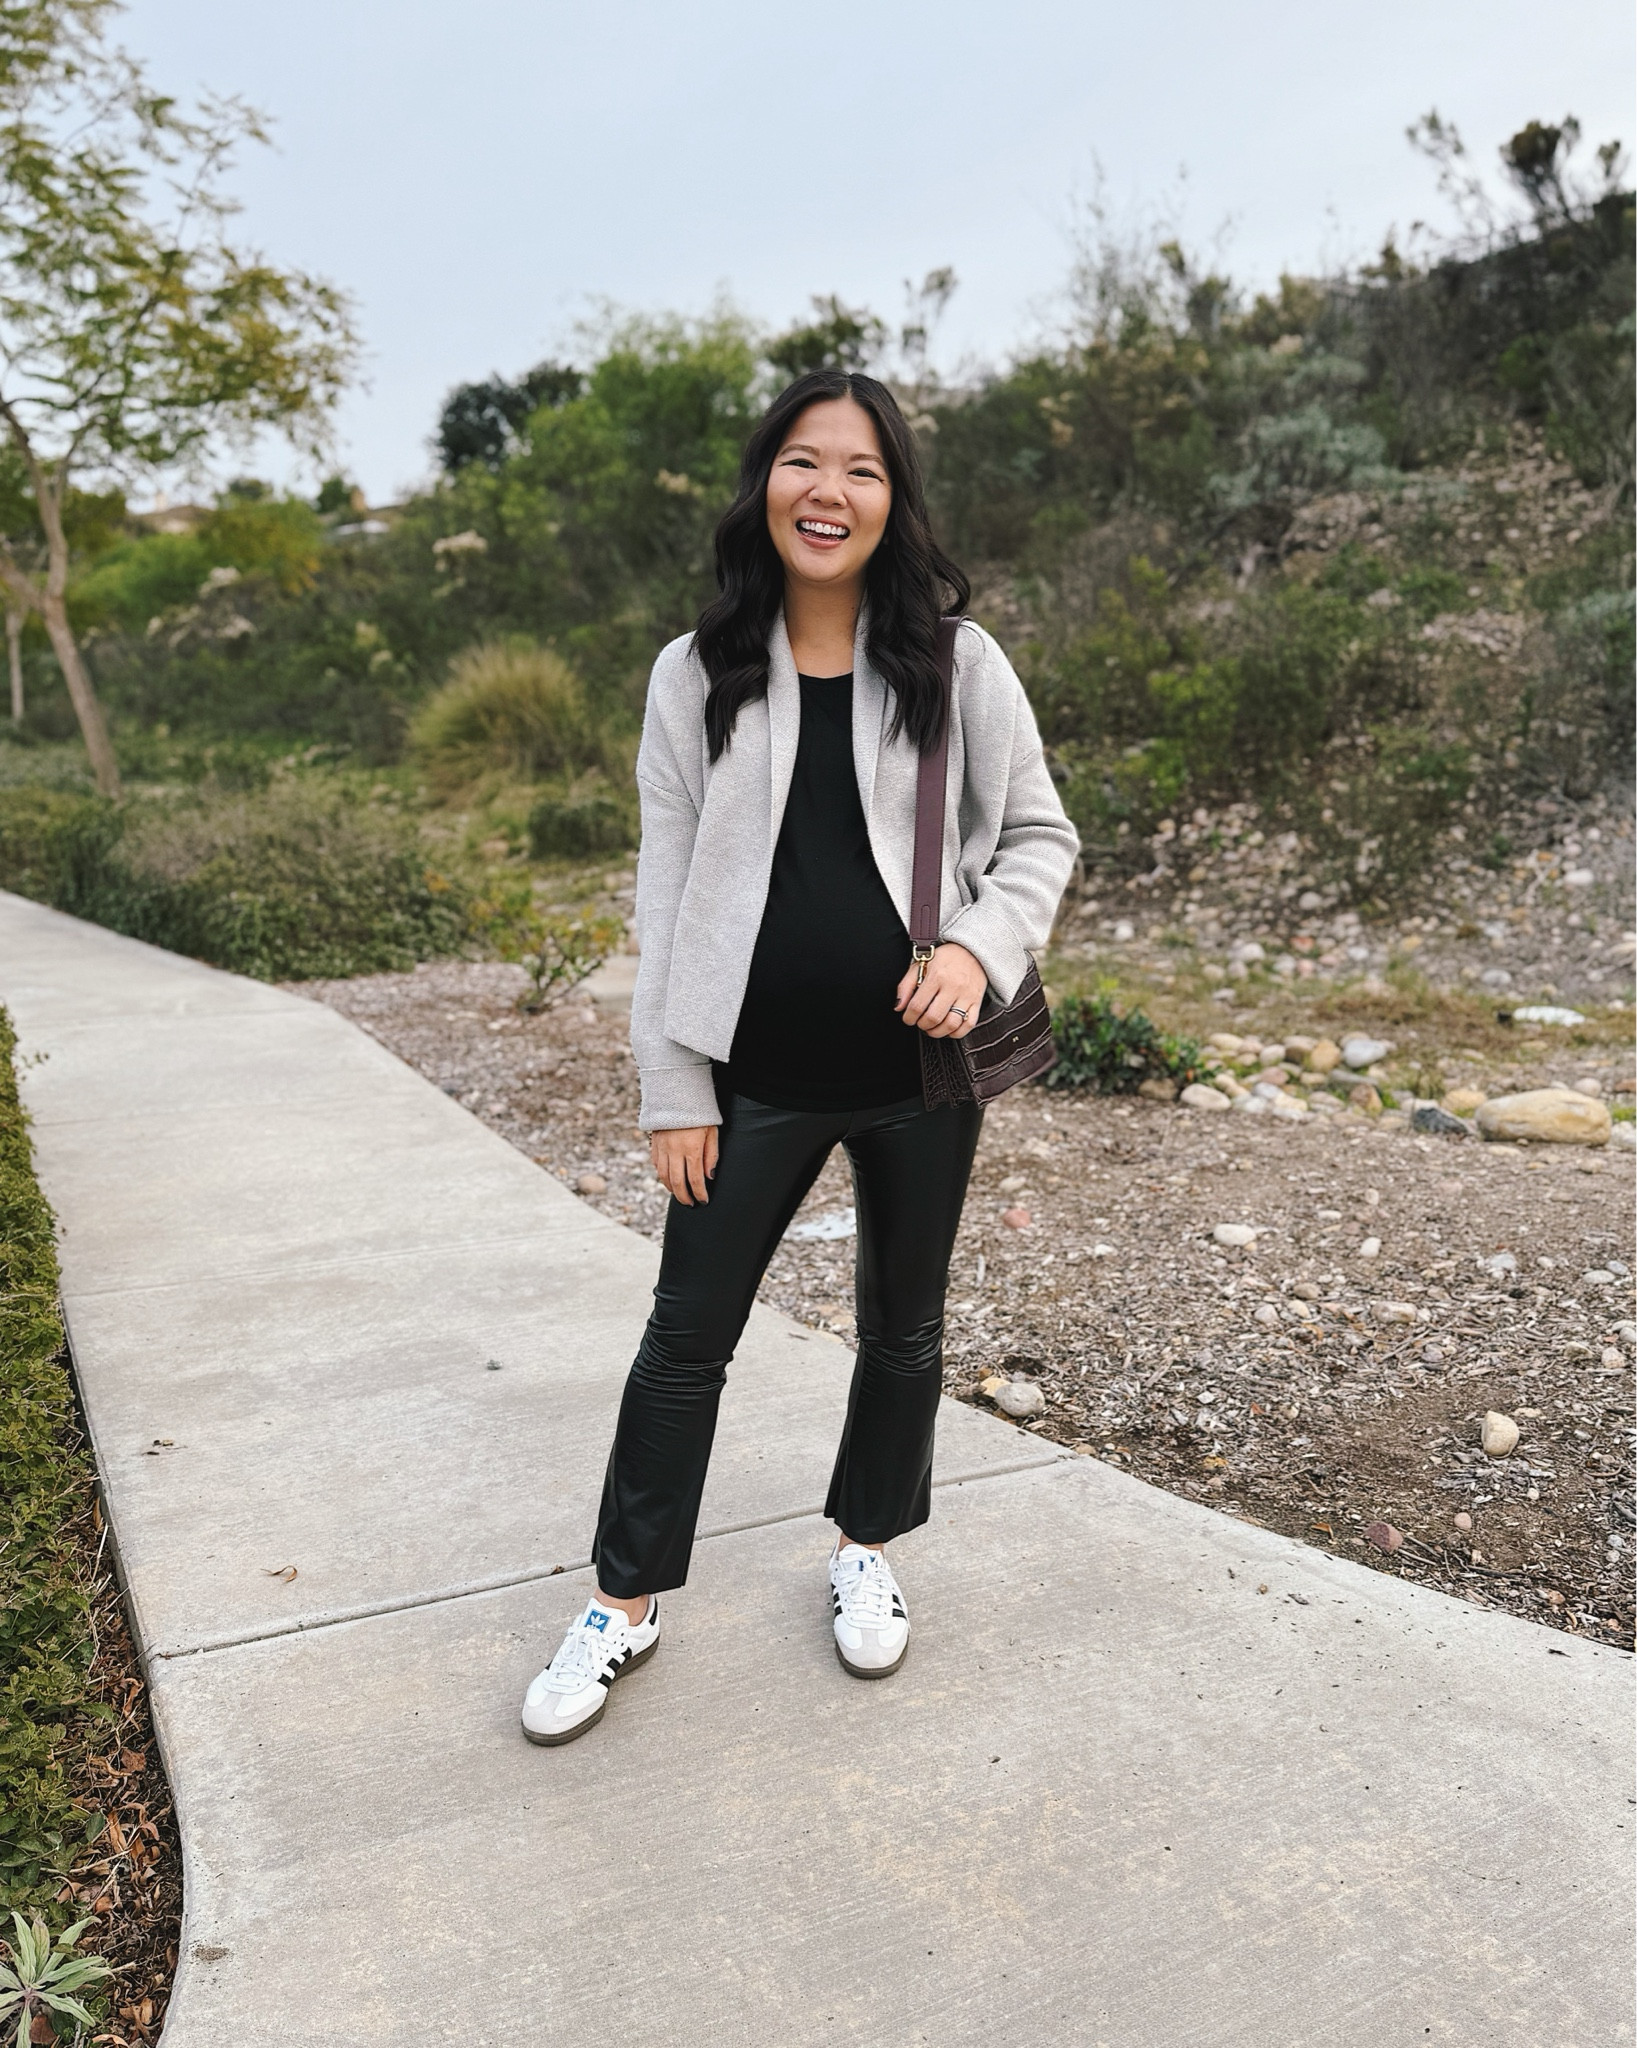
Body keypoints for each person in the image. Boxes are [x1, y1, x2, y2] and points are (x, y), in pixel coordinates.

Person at [521, 369, 1078, 1746]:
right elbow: (661, 894)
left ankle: (866, 1549)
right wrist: (671, 1083)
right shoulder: (692, 672)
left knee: (902, 1332)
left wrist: (972, 955)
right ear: (763, 481)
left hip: (917, 1080)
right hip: (749, 1078)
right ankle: (624, 1603)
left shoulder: (959, 663)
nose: (828, 491)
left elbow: (1038, 839)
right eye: (802, 462)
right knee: (681, 1343)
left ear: (895, 504)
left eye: (862, 471)